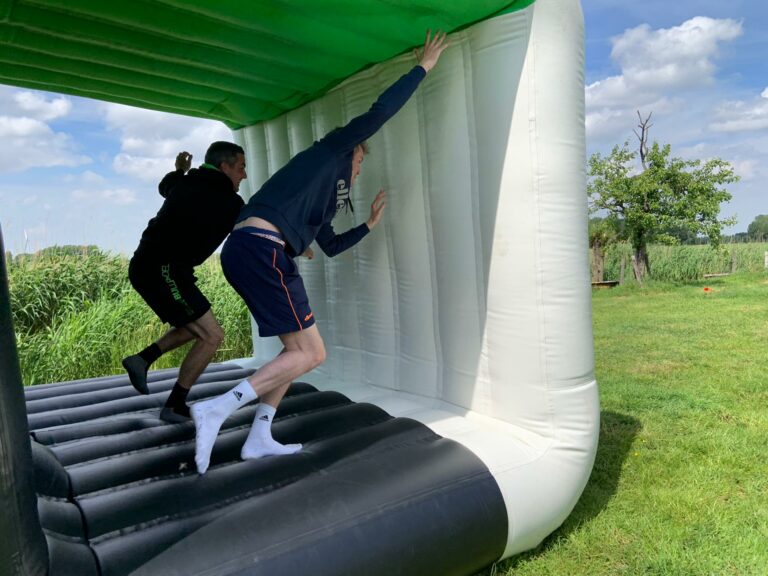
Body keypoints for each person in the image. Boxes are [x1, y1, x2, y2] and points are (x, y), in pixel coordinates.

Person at [190, 30, 449, 474]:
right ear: (351, 152)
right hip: (262, 250)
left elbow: (329, 245)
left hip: (249, 250)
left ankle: (259, 436)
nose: (360, 167)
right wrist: (422, 68)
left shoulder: (326, 200)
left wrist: (368, 225)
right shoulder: (332, 150)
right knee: (313, 354)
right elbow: (380, 113)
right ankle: (216, 408)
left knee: (294, 353)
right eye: (361, 160)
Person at [122, 142, 246, 422]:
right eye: (241, 167)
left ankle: (142, 359)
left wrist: (180, 170)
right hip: (163, 270)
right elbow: (252, 226)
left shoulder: (186, 182)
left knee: (194, 327)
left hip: (154, 266)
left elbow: (166, 185)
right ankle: (174, 405)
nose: (244, 175)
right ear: (224, 167)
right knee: (212, 336)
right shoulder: (227, 201)